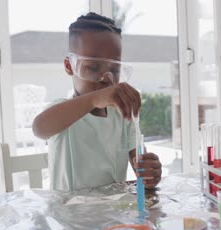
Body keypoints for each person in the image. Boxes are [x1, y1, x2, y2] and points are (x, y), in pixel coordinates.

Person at [32, 12, 162, 190]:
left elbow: (142, 171)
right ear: (69, 66)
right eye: (93, 67)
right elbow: (39, 128)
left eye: (115, 70)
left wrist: (150, 172)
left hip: (113, 213)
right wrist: (95, 99)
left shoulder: (123, 116)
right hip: (69, 215)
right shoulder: (63, 112)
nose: (106, 78)